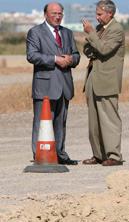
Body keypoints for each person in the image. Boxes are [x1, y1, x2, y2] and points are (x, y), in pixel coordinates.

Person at [26, 2, 80, 165]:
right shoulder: (35, 32)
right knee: (42, 122)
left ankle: (59, 154)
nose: (57, 16)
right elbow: (32, 56)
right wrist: (55, 59)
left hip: (64, 85)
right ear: (45, 14)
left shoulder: (68, 33)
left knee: (60, 122)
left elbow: (76, 55)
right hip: (45, 86)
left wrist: (71, 60)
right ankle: (40, 155)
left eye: (60, 13)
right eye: (54, 13)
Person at [81, 0, 125, 166]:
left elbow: (105, 49)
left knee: (109, 119)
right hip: (93, 76)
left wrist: (91, 33)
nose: (97, 17)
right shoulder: (100, 29)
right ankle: (98, 154)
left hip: (107, 80)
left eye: (100, 14)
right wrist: (92, 37)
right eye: (96, 14)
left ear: (110, 13)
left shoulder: (117, 29)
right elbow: (89, 49)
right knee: (94, 121)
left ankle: (114, 156)